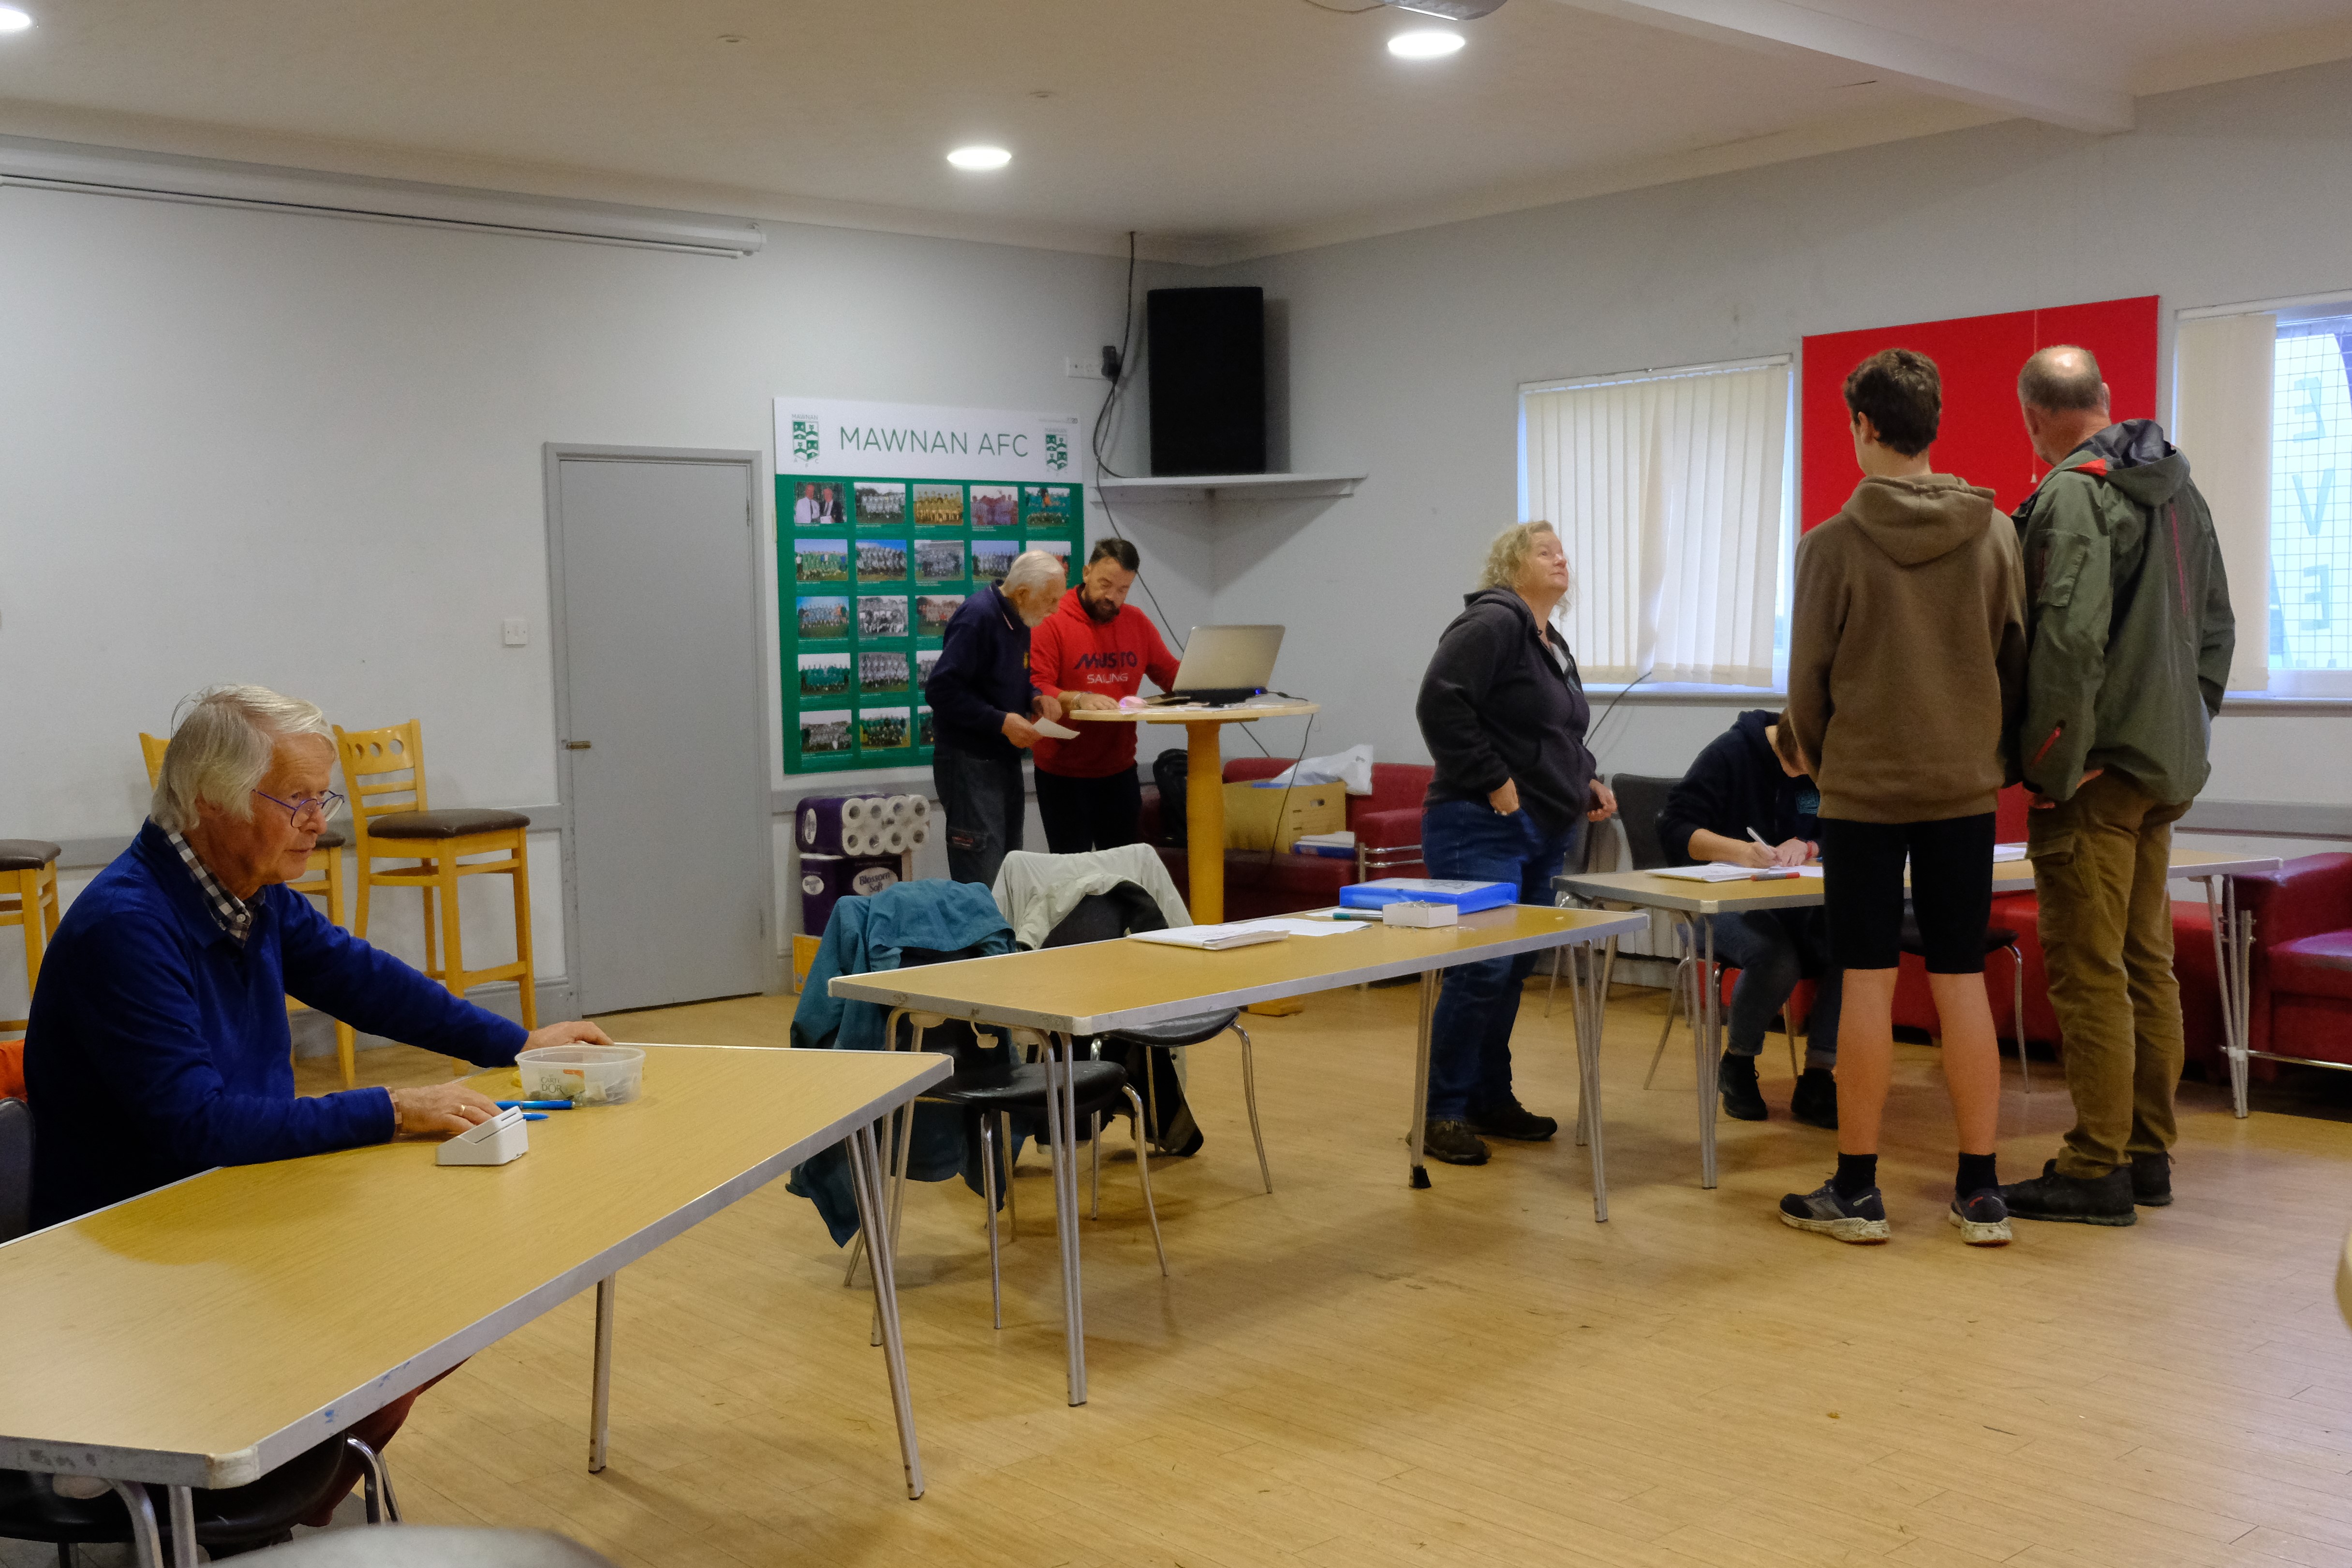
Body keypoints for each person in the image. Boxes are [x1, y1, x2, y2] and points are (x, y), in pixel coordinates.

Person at [22, 685, 614, 1531]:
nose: (316, 821)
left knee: (451, 1295)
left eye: (320, 796)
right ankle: (194, 1488)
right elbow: (197, 1125)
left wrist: (517, 1043)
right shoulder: (128, 925)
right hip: (147, 1264)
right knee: (405, 1312)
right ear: (209, 801)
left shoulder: (244, 893)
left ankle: (270, 1503)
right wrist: (390, 1108)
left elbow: (362, 978)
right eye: (294, 799)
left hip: (234, 1212)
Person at [1783, 348, 2027, 1247]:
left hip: (1861, 791)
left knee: (1866, 978)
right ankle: (1979, 1191)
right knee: (1959, 976)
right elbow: (2014, 662)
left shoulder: (1828, 546)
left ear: (1864, 426)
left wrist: (1826, 766)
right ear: (1931, 426)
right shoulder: (1994, 534)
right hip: (1962, 788)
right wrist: (1982, 754)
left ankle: (1856, 1190)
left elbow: (1806, 687)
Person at [1996, 346, 2234, 1227]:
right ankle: (2145, 1155)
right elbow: (2216, 634)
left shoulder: (2072, 494)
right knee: (2143, 964)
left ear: (2034, 418)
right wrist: (2182, 733)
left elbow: (2066, 639)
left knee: (2089, 971)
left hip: (2094, 778)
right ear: (2102, 397)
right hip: (2160, 771)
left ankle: (2095, 1165)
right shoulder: (2181, 492)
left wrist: (2053, 765)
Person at [1413, 520, 1617, 1167]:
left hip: (1542, 824)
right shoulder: (1493, 622)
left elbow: (1557, 731)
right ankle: (1439, 1112)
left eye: (1562, 551)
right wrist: (1492, 779)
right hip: (1478, 820)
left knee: (1511, 969)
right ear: (1511, 565)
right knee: (1480, 970)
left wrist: (1585, 778)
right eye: (1543, 551)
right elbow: (1439, 703)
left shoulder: (1550, 641)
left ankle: (1487, 1097)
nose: (1560, 558)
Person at [1658, 709, 1843, 1128]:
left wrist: (1809, 845)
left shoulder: (1820, 763)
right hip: (1713, 902)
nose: (1810, 777)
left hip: (1790, 903)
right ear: (1792, 740)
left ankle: (1818, 1075)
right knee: (1775, 958)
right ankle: (1738, 1062)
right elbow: (1675, 828)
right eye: (1805, 766)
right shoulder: (1730, 754)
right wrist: (1740, 851)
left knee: (1851, 949)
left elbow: (1843, 825)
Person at [1028, 538, 1182, 854]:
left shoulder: (1136, 622)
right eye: (1105, 585)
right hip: (1063, 773)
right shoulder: (1052, 619)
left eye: (1123, 590)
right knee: (1073, 873)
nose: (1112, 597)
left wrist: (1212, 680)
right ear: (1086, 573)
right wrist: (1079, 698)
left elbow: (1170, 675)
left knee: (1126, 871)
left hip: (1119, 769)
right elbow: (1037, 686)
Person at [923, 549, 1067, 885]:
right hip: (969, 762)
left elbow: (1007, 680)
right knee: (982, 878)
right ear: (1023, 593)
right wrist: (1001, 721)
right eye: (1050, 600)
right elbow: (941, 690)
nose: (1055, 610)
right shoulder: (978, 617)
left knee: (1008, 873)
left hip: (1003, 760)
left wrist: (1035, 698)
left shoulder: (1020, 618)